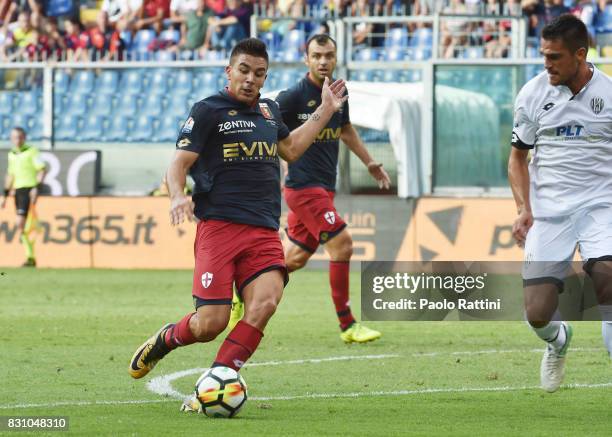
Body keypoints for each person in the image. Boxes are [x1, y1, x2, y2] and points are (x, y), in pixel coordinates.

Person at [128, 38, 348, 407]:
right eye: (243, 71)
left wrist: (325, 109)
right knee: (209, 324)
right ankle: (167, 339)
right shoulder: (208, 111)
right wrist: (178, 195)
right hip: (220, 227)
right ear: (229, 71)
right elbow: (178, 163)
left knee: (265, 302)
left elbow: (291, 149)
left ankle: (217, 379)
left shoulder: (268, 110)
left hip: (263, 230)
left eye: (259, 74)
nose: (250, 79)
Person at [508, 14, 612, 393]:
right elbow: (517, 159)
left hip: (602, 206)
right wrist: (524, 208)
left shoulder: (609, 94)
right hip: (550, 212)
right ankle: (558, 341)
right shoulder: (533, 94)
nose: (546, 64)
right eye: (543, 56)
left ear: (580, 55)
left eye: (554, 57)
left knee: (608, 282)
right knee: (536, 313)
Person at [273, 34, 391, 343]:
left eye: (328, 55)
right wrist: (282, 163)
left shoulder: (339, 91)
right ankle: (347, 324)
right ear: (306, 59)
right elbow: (273, 137)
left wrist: (369, 163)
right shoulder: (291, 98)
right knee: (343, 245)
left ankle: (243, 287)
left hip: (324, 188)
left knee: (295, 258)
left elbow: (346, 130)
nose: (323, 61)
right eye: (317, 55)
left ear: (336, 57)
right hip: (302, 188)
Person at [0, 126, 47, 267]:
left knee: (21, 223)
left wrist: (36, 188)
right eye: (14, 137)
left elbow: (42, 170)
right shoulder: (12, 154)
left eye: (20, 137)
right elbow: (10, 174)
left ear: (24, 138)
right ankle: (30, 257)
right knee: (22, 226)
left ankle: (30, 257)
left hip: (29, 189)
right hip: (18, 191)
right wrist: (4, 195)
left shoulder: (32, 151)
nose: (17, 140)